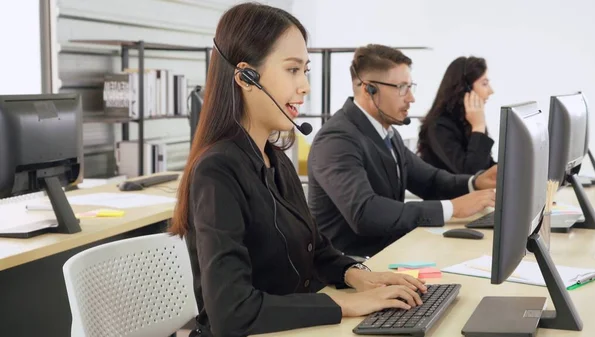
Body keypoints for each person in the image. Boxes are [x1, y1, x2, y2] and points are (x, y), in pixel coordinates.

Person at [169, 4, 429, 337]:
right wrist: (346, 306)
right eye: (293, 70)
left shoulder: (275, 160)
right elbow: (230, 311)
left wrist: (358, 275)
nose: (304, 86)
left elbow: (315, 247)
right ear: (246, 78)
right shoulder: (217, 171)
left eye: (305, 70)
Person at [307, 44, 497, 259]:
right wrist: (451, 209)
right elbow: (365, 212)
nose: (411, 98)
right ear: (368, 89)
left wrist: (475, 182)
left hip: (387, 255)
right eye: (402, 88)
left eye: (410, 87)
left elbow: (430, 180)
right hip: (351, 267)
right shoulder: (337, 140)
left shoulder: (387, 133)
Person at [417, 56, 496, 174]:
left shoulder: (468, 121)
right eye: (484, 84)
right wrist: (479, 127)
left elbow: (486, 166)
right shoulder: (439, 127)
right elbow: (471, 175)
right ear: (466, 90)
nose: (491, 91)